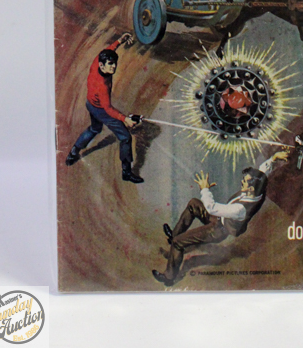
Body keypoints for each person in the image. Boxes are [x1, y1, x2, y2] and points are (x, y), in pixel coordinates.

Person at [152, 149, 290, 285]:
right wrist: (274, 158)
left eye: (245, 182)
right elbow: (263, 171)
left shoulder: (240, 209)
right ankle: (173, 243)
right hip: (219, 220)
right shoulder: (259, 189)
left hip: (218, 230)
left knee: (179, 242)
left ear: (251, 189)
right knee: (194, 204)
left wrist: (204, 189)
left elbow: (211, 207)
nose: (242, 182)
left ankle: (169, 277)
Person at [65, 32, 144, 184]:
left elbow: (109, 50)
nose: (114, 67)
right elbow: (107, 109)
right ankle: (126, 172)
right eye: (110, 64)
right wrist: (125, 119)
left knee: (94, 129)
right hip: (101, 110)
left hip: (90, 104)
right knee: (125, 137)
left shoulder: (98, 61)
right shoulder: (101, 85)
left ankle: (73, 153)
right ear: (102, 65)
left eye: (114, 63)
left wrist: (120, 41)